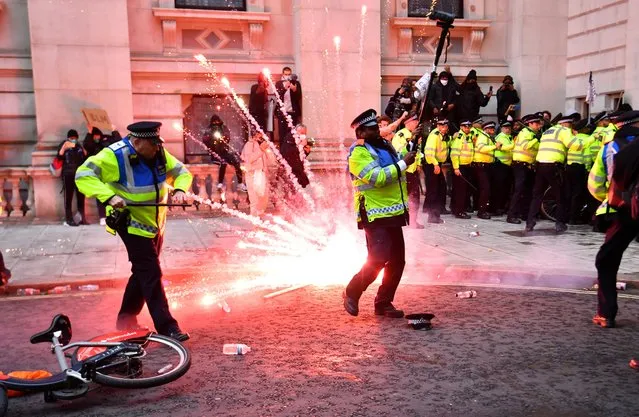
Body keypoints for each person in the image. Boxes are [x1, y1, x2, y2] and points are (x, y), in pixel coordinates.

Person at [75, 121, 192, 342]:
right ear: (136, 142)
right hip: (130, 223)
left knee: (142, 271)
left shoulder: (158, 153)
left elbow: (182, 172)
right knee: (151, 272)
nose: (158, 149)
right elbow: (83, 175)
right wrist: (109, 196)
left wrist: (179, 189)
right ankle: (168, 327)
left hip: (155, 223)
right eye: (153, 144)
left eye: (159, 144)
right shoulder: (114, 156)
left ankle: (126, 320)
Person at [343, 109, 416, 318]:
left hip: (394, 211)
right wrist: (404, 163)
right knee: (378, 259)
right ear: (361, 132)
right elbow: (378, 177)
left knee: (397, 261)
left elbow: (400, 162)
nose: (379, 131)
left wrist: (410, 149)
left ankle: (383, 303)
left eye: (378, 127)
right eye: (373, 129)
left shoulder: (385, 146)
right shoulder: (358, 153)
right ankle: (352, 291)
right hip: (373, 214)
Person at [592, 111, 639, 329]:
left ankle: (606, 314)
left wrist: (610, 199)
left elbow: (595, 184)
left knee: (607, 260)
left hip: (624, 210)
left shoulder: (610, 148)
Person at [526, 114, 582, 233]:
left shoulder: (548, 131)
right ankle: (560, 223)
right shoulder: (564, 131)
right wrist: (582, 138)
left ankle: (530, 222)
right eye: (570, 124)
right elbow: (576, 146)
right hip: (554, 166)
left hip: (540, 165)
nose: (571, 127)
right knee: (561, 194)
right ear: (564, 124)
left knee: (537, 195)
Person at [507, 114, 543, 224]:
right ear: (530, 124)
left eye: (539, 124)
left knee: (528, 191)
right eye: (536, 124)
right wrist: (536, 140)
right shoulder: (525, 133)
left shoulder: (532, 133)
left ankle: (524, 214)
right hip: (520, 165)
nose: (539, 126)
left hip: (529, 166)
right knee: (518, 191)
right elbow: (525, 146)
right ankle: (511, 215)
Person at [391, 114, 423, 228]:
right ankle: (408, 220)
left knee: (415, 197)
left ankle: (413, 220)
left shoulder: (416, 134)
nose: (417, 124)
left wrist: (419, 164)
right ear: (408, 122)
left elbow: (418, 151)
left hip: (413, 170)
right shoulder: (401, 135)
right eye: (415, 122)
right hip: (405, 171)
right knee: (408, 197)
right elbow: (398, 151)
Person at [83, 126, 118, 226]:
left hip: (109, 171)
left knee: (112, 193)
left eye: (98, 135)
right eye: (94, 136)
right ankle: (103, 216)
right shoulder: (92, 145)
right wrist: (89, 133)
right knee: (101, 195)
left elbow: (118, 142)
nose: (96, 137)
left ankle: (111, 215)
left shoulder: (106, 141)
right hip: (97, 172)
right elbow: (86, 145)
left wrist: (114, 130)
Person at [202, 115, 246, 193]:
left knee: (236, 161)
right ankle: (220, 182)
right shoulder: (209, 129)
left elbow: (227, 136)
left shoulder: (223, 127)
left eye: (217, 121)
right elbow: (205, 139)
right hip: (215, 152)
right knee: (223, 162)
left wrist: (222, 139)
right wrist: (212, 141)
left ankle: (240, 182)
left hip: (224, 151)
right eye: (214, 121)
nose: (216, 123)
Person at [57, 129, 87, 226]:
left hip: (79, 174)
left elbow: (84, 157)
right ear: (68, 138)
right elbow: (59, 157)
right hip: (68, 174)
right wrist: (64, 148)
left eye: (74, 138)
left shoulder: (79, 145)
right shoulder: (64, 145)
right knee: (68, 198)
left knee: (81, 197)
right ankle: (69, 219)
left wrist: (83, 150)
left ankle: (82, 218)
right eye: (71, 138)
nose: (73, 139)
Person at [423, 119, 450, 223]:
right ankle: (432, 216)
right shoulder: (434, 135)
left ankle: (436, 212)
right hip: (431, 164)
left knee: (441, 188)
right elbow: (428, 152)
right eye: (441, 126)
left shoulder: (443, 136)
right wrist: (435, 164)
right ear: (438, 126)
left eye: (445, 126)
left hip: (437, 163)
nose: (443, 128)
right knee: (434, 190)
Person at [241, 130, 272, 218]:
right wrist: (261, 150)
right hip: (252, 174)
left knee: (264, 198)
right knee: (254, 200)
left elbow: (267, 159)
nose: (262, 136)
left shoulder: (261, 144)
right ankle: (255, 222)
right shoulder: (249, 144)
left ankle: (260, 216)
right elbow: (249, 159)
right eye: (260, 134)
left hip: (261, 174)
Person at [472, 121, 497, 219]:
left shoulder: (487, 137)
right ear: (486, 129)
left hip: (486, 165)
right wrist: (495, 146)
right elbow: (482, 148)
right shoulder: (483, 137)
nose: (493, 131)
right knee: (485, 189)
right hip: (481, 165)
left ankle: (483, 210)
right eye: (491, 129)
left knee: (485, 189)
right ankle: (481, 212)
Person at [449, 120, 474, 219]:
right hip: (460, 166)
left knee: (459, 189)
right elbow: (454, 154)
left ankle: (455, 209)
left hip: (466, 166)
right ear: (461, 127)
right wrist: (456, 167)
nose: (467, 128)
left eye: (469, 127)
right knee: (461, 190)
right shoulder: (460, 137)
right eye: (465, 127)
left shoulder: (468, 136)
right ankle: (459, 211)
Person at [491, 121, 515, 215]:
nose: (508, 129)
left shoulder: (509, 137)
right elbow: (502, 147)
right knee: (498, 188)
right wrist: (514, 145)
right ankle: (495, 208)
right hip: (499, 165)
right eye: (505, 128)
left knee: (504, 188)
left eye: (509, 128)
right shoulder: (500, 137)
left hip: (506, 166)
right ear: (501, 128)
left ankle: (501, 207)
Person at [275, 67, 303, 140]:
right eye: (285, 74)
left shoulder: (296, 83)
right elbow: (277, 96)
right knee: (282, 132)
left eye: (289, 74)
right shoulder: (278, 83)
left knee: (293, 132)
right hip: (282, 112)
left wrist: (294, 90)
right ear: (283, 74)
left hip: (293, 112)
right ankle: (282, 150)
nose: (287, 76)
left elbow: (299, 97)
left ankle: (292, 150)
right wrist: (284, 88)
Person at [280, 124, 311, 189]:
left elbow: (300, 155)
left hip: (298, 168)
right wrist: (301, 145)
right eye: (302, 133)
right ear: (296, 131)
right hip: (291, 169)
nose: (303, 135)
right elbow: (289, 153)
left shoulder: (299, 139)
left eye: (305, 133)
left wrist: (306, 151)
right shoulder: (289, 138)